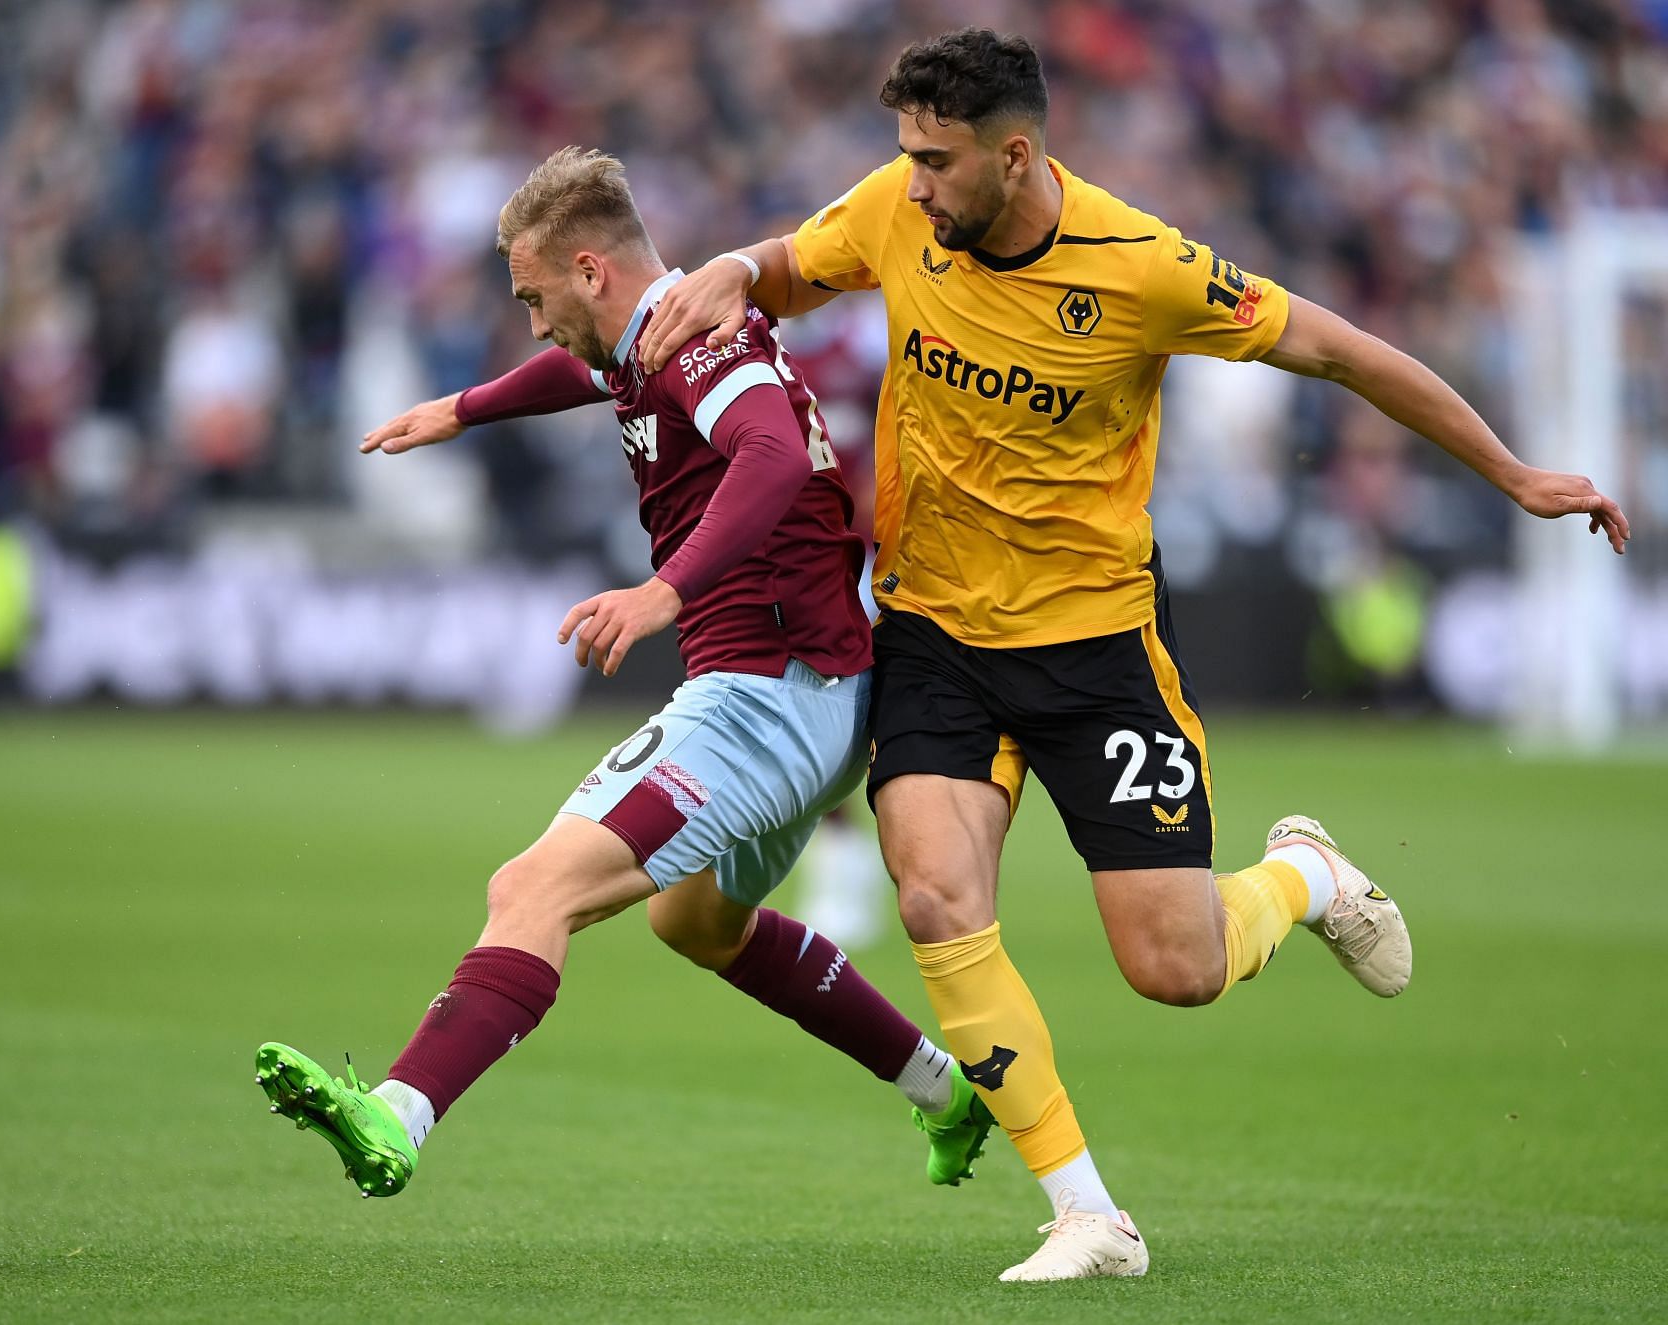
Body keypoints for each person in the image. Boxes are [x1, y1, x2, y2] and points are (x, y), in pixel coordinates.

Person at [639, 27, 1630, 1283]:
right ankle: (1088, 1211)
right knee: (937, 891)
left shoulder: (1146, 266)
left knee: (1176, 967)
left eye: (939, 161)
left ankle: (1304, 876)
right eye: (907, 158)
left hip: (1097, 648)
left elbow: (1340, 351)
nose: (917, 183)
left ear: (1015, 153)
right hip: (936, 630)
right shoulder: (902, 207)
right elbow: (793, 262)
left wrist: (1514, 471)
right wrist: (729, 267)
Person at [256, 146, 998, 1206]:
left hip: (765, 693)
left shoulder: (701, 343)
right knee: (695, 922)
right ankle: (945, 1092)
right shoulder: (653, 331)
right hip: (819, 694)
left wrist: (664, 594)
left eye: (534, 294)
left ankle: (399, 1109)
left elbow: (774, 452)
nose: (531, 320)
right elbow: (590, 368)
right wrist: (465, 409)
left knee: (530, 887)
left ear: (592, 270)